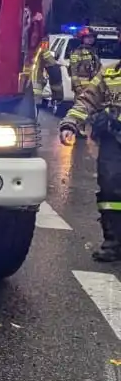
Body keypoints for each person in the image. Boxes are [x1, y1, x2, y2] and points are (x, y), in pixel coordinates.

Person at [60, 63, 121, 260]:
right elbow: (87, 100)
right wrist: (70, 123)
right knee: (110, 189)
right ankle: (113, 242)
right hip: (114, 139)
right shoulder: (110, 72)